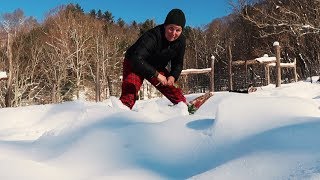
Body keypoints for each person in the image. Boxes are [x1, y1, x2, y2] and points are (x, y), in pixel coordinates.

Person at [119, 8, 187, 109]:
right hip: (134, 63)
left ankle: (184, 108)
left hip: (155, 66)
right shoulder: (153, 36)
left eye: (178, 30)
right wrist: (157, 75)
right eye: (171, 28)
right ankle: (120, 115)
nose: (173, 33)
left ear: (181, 30)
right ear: (165, 26)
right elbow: (136, 58)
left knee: (175, 92)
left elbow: (178, 63)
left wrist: (173, 76)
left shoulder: (181, 41)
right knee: (130, 91)